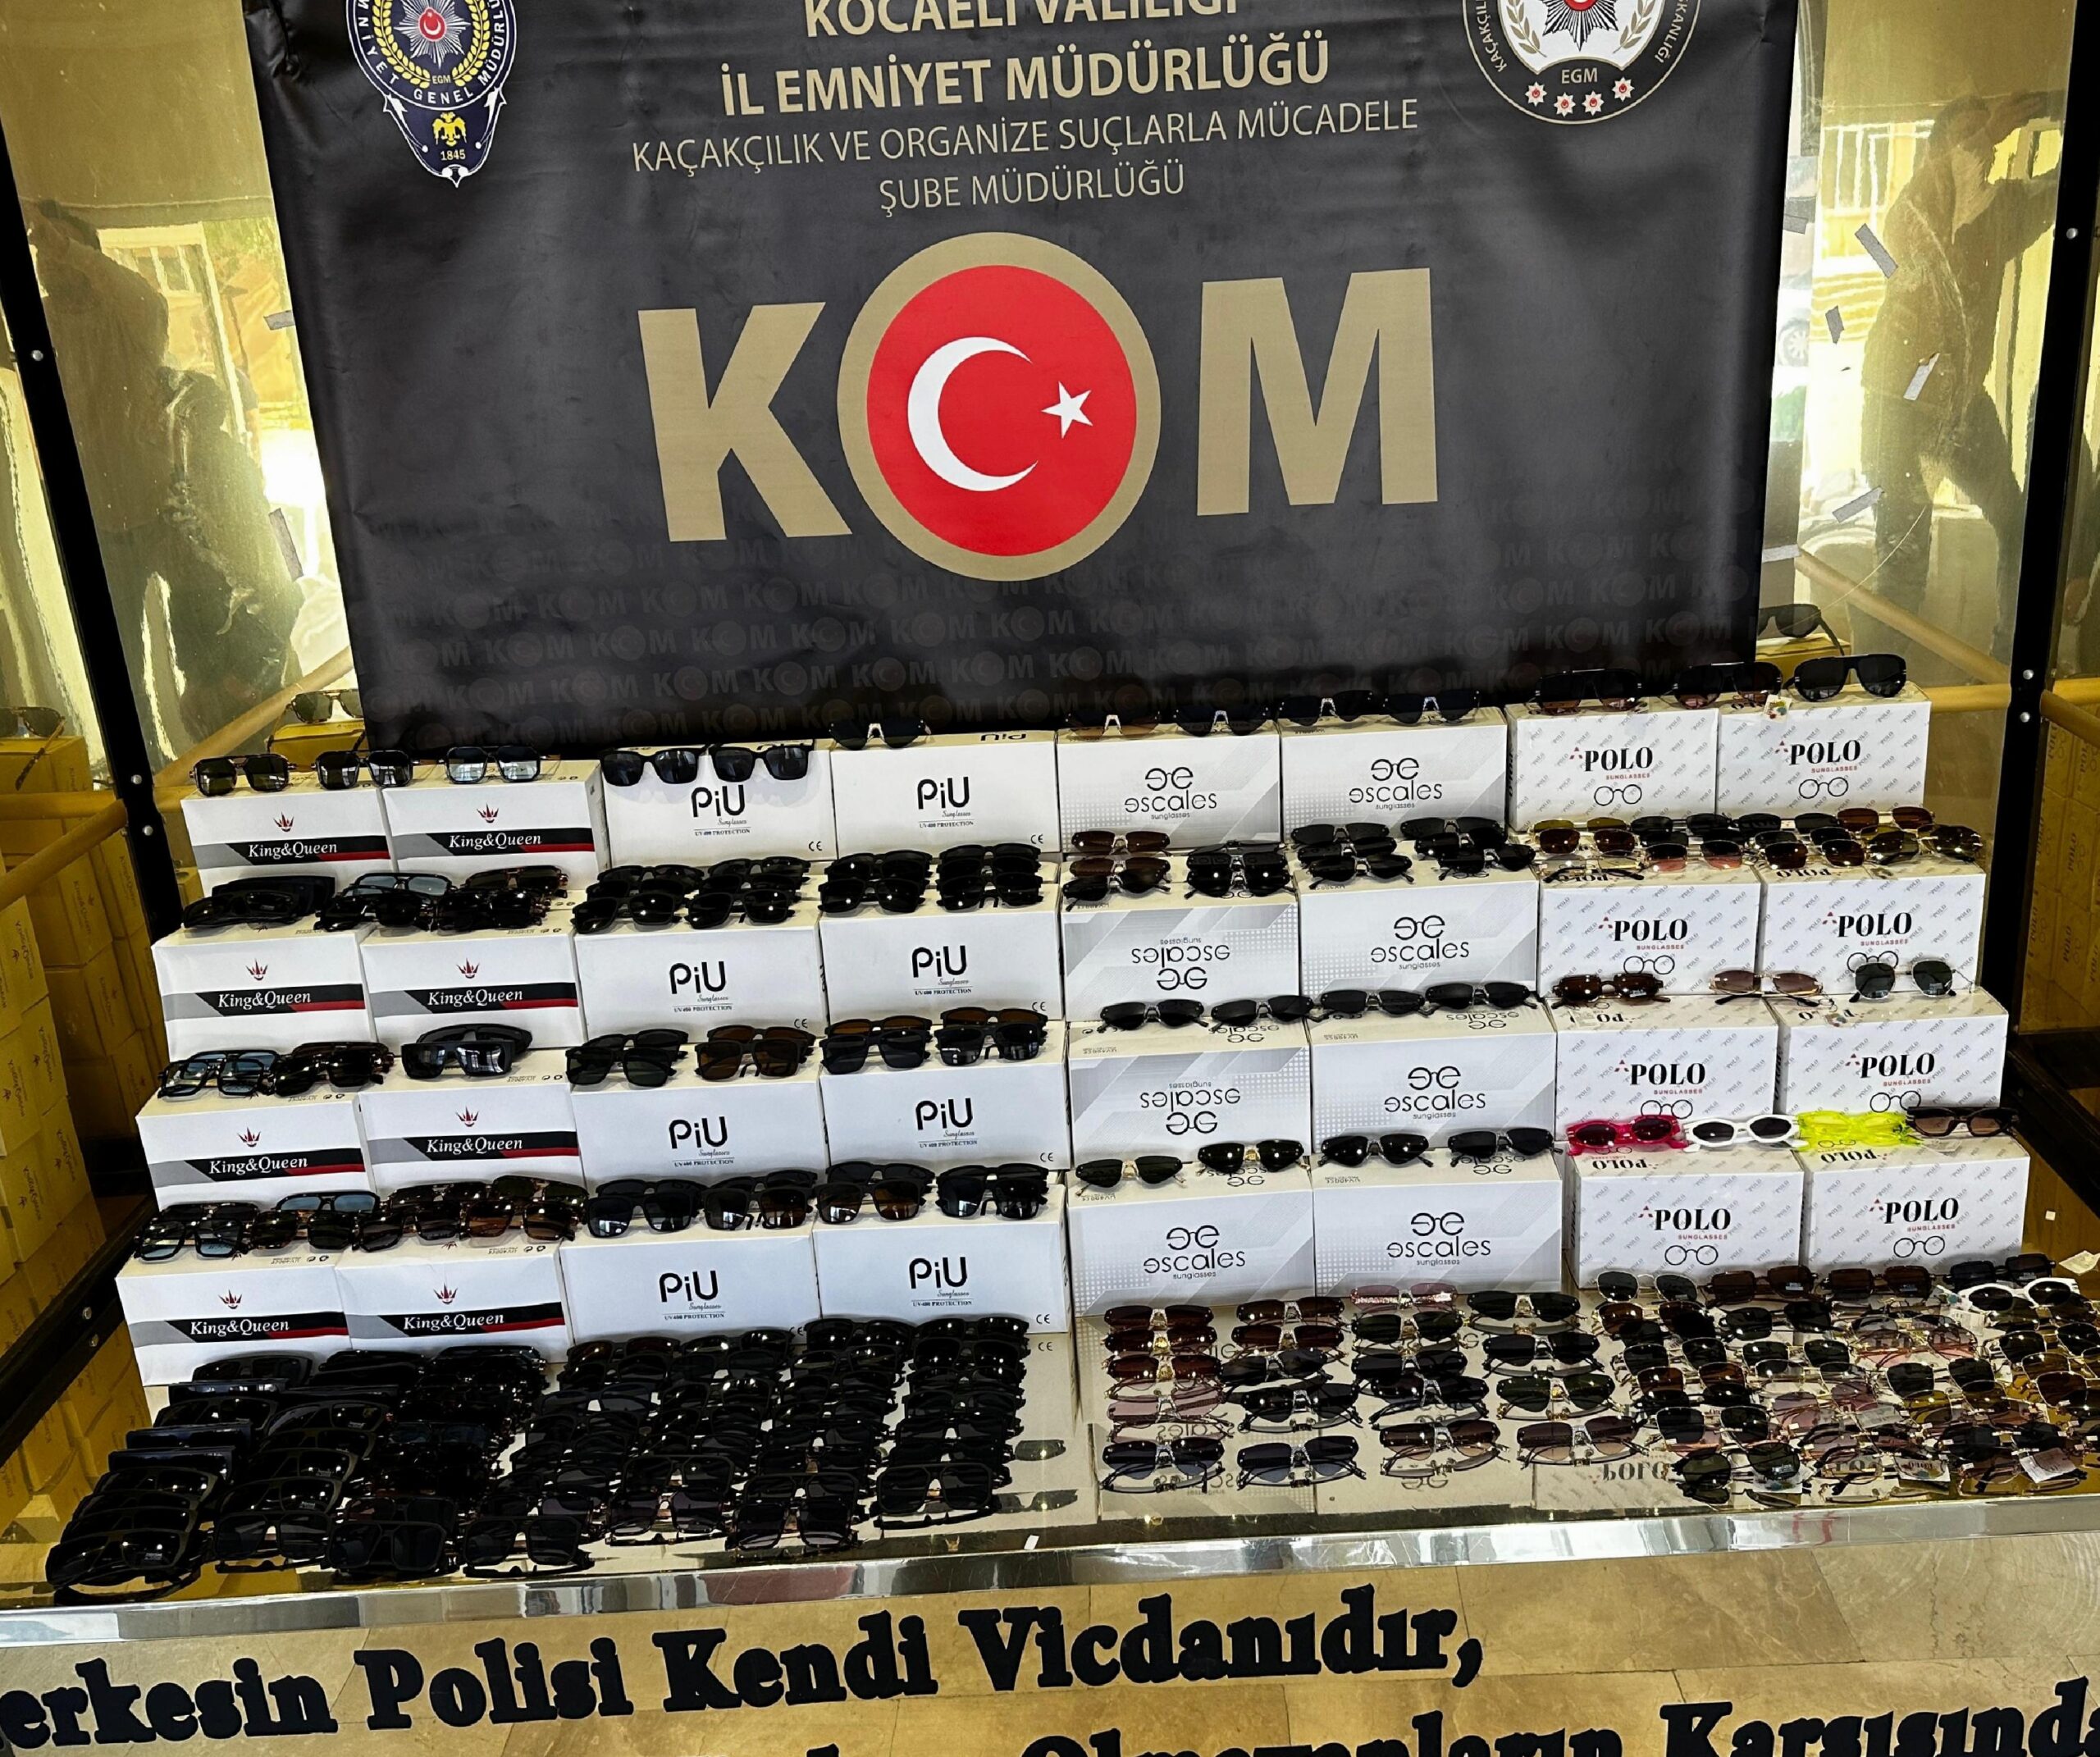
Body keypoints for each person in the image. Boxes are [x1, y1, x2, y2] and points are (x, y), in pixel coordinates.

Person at [1860, 94, 2058, 661]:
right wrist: (1990, 130)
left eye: (1985, 137)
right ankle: (1877, 687)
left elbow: (2055, 193)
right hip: (1897, 404)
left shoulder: (1997, 214)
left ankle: (2007, 660)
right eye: (1967, 137)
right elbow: (1940, 191)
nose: (1983, 149)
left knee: (2018, 524)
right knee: (1903, 559)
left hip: (1963, 403)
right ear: (1935, 153)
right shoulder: (1913, 210)